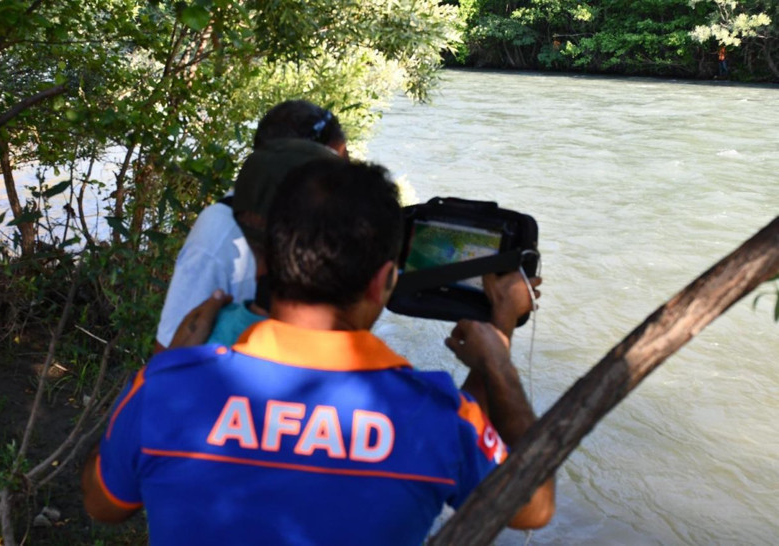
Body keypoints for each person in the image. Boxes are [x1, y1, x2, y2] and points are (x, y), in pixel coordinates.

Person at [82, 160, 555, 544]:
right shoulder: (437, 416)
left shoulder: (167, 388)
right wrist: (497, 353)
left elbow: (103, 505)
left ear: (270, 258)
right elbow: (532, 507)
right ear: (384, 280)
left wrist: (167, 364)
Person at [154, 100, 348, 353]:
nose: (347, 177)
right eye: (336, 164)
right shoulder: (219, 234)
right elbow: (168, 350)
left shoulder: (313, 228)